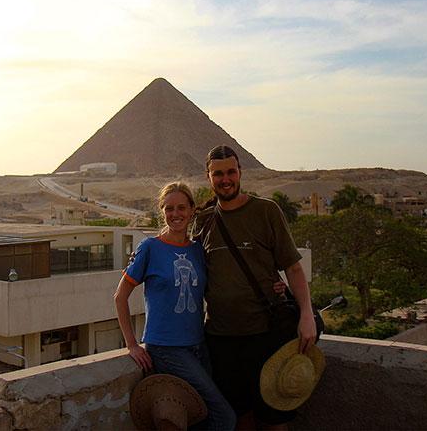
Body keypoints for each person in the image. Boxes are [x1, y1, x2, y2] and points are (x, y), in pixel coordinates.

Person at [192, 145, 317, 430]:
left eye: (231, 172)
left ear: (240, 173)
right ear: (208, 177)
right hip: (221, 338)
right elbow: (183, 256)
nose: (226, 179)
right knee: (240, 417)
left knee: (273, 416)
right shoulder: (204, 220)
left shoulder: (266, 211)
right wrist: (143, 255)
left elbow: (293, 267)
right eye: (218, 174)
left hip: (265, 333)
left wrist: (307, 315)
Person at [115, 182, 236, 430]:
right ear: (162, 211)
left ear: (192, 210)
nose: (175, 214)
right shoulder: (150, 248)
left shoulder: (197, 251)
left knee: (198, 414)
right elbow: (120, 296)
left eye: (181, 207)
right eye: (169, 208)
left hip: (199, 345)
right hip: (167, 349)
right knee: (224, 417)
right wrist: (131, 344)